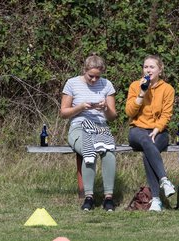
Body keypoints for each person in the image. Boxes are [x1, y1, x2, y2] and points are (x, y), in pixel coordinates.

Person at [60, 53, 117, 211]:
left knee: (108, 151)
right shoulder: (72, 83)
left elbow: (112, 116)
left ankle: (108, 198)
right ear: (84, 70)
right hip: (79, 126)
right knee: (89, 148)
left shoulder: (107, 85)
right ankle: (89, 197)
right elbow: (63, 112)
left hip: (100, 126)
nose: (94, 80)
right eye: (91, 76)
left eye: (97, 77)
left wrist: (105, 108)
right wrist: (80, 107)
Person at [125, 55, 176, 212]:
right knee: (147, 142)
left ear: (160, 70)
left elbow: (167, 114)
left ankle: (155, 200)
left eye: (151, 67)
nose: (148, 70)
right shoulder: (135, 86)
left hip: (158, 131)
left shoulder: (167, 89)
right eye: (145, 67)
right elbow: (129, 112)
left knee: (149, 150)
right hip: (137, 131)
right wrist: (141, 93)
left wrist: (157, 128)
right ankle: (164, 180)